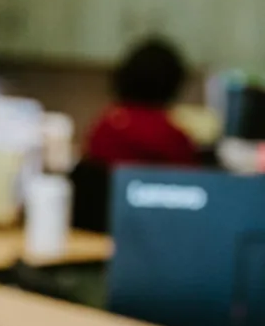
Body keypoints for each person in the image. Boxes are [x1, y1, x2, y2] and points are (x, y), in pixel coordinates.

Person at [73, 35, 200, 231]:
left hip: (97, 233)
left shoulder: (104, 126)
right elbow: (189, 198)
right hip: (151, 237)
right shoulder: (173, 138)